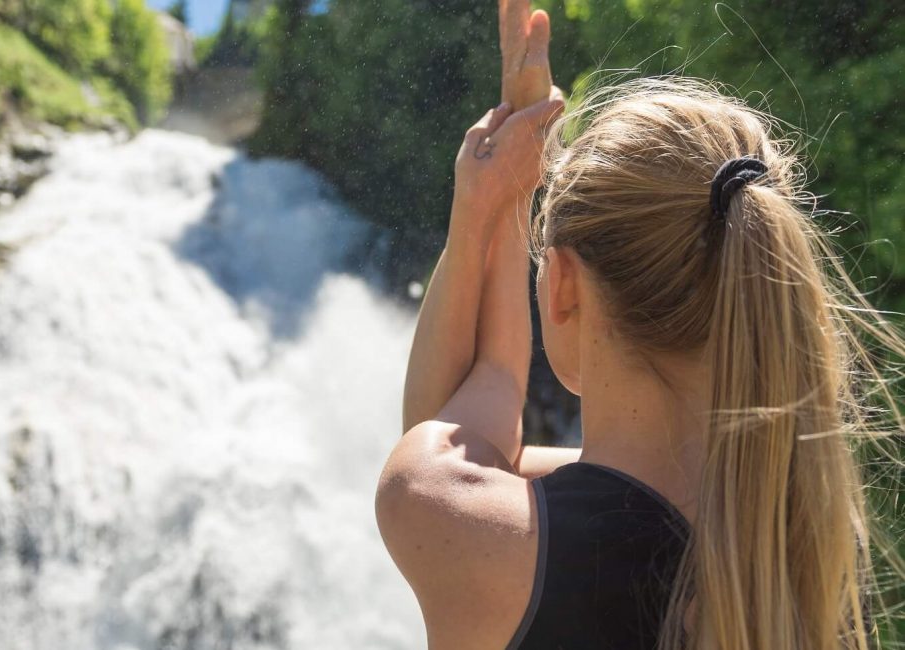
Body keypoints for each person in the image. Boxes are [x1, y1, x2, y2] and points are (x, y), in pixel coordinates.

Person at [375, 3, 902, 649]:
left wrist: (495, 202)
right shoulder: (801, 551)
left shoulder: (478, 531)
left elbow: (464, 419)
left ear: (563, 286)